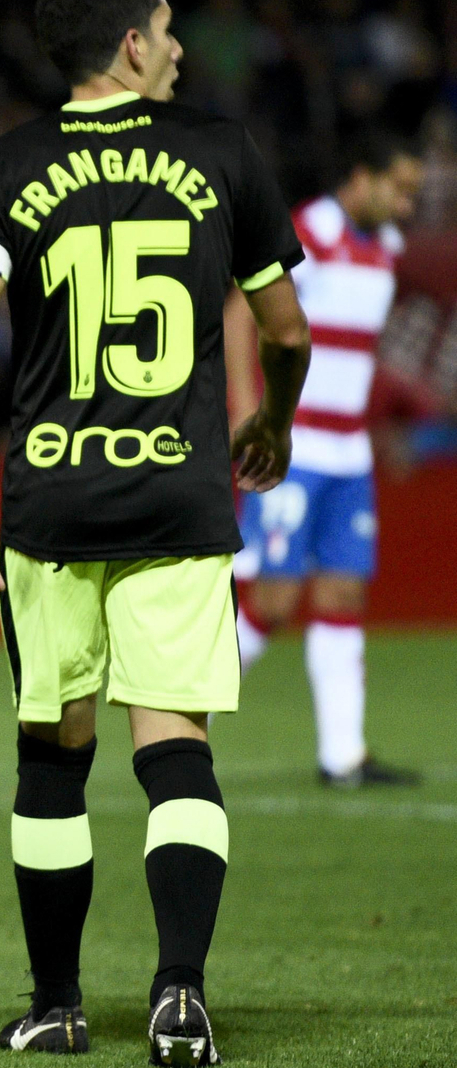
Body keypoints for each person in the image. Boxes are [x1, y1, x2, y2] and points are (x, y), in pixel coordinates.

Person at [0, 0, 310, 1067]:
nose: (180, 46)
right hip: (180, 495)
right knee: (175, 749)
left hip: (50, 499)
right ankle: (180, 994)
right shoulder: (224, 153)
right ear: (133, 45)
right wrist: (269, 418)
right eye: (168, 26)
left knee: (52, 754)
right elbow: (284, 329)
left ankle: (56, 1004)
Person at [225, 129, 424, 787]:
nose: (403, 205)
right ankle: (177, 719)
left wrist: (380, 426)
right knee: (274, 597)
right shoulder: (309, 229)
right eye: (397, 189)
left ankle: (344, 757)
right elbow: (238, 312)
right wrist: (245, 411)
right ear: (359, 177)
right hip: (297, 445)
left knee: (342, 592)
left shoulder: (385, 249)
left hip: (348, 454)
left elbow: (354, 355)